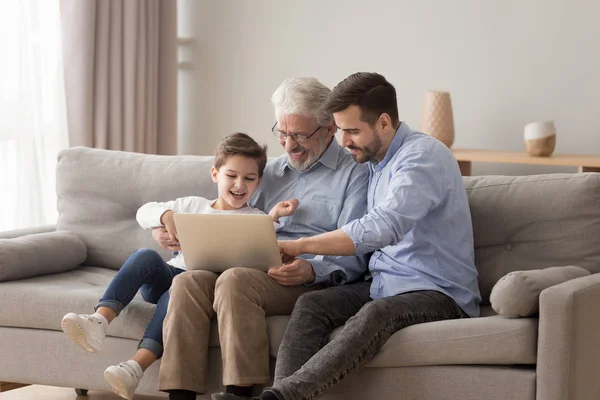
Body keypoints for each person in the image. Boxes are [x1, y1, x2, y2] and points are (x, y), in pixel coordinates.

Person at [220, 72, 483, 400]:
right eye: (341, 130)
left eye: (352, 131)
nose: (342, 142)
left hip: (437, 292)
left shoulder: (422, 158)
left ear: (383, 123)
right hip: (382, 284)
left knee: (376, 314)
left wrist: (299, 246)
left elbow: (382, 226)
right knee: (312, 304)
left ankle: (279, 397)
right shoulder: (376, 163)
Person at [156, 77, 370, 400]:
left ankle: (240, 394)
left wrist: (311, 269)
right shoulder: (268, 172)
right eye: (282, 133)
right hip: (248, 263)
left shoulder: (354, 175)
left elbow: (355, 251)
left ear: (329, 129)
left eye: (299, 135)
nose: (288, 145)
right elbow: (227, 215)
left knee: (235, 281)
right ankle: (179, 395)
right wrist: (172, 225)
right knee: (187, 282)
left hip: (302, 277)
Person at [60, 133, 299, 400]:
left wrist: (272, 220)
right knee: (144, 255)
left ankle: (134, 366)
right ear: (215, 174)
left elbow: (261, 260)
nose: (239, 184)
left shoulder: (256, 218)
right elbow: (144, 211)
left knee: (181, 290)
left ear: (259, 181)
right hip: (171, 273)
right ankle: (100, 319)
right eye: (231, 175)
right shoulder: (191, 205)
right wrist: (164, 217)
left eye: (249, 178)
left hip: (201, 289)